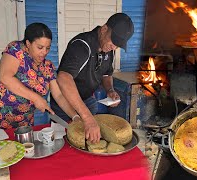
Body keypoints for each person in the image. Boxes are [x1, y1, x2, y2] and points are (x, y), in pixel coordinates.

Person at [50, 13, 134, 143]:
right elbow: (63, 78)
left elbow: (106, 74)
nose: (114, 47)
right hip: (65, 104)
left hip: (88, 101)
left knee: (89, 143)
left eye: (118, 45)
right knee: (65, 145)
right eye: (114, 42)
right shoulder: (82, 45)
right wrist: (88, 118)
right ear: (104, 29)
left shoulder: (108, 50)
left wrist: (110, 90)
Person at [0, 23, 79, 130]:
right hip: (0, 116)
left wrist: (75, 116)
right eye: (40, 47)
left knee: (23, 146)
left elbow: (58, 95)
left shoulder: (48, 67)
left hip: (25, 121)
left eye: (47, 48)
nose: (44, 52)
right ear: (28, 44)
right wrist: (36, 98)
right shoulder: (16, 49)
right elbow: (5, 77)